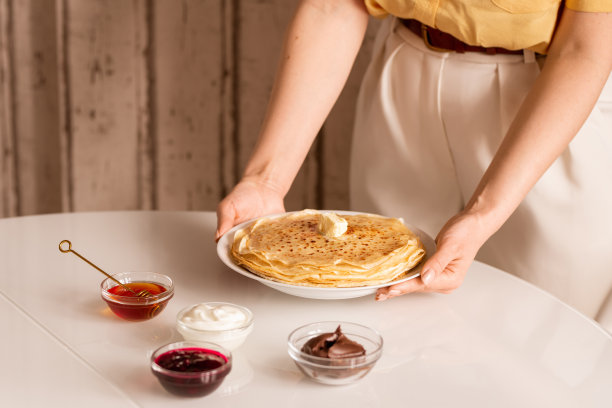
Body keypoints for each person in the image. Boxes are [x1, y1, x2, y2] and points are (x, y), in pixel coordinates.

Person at [215, 1, 612, 324]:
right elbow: (332, 6)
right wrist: (267, 181)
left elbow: (585, 47)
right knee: (391, 322)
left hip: (546, 101)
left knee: (551, 328)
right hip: (403, 73)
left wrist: (482, 213)